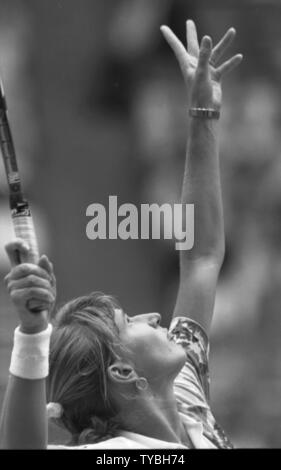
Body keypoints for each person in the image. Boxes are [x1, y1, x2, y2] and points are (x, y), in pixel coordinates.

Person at [0, 20, 242, 449]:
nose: (152, 316)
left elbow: (201, 255)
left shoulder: (186, 394)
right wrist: (34, 336)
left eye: (131, 317)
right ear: (123, 373)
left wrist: (203, 114)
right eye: (129, 321)